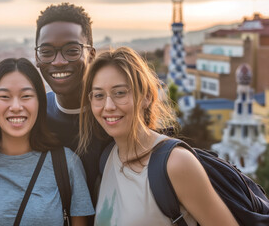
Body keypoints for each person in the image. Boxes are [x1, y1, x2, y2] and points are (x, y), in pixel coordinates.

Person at [78, 47, 238, 225]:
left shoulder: (176, 163)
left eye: (120, 92)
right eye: (99, 95)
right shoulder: (107, 158)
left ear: (146, 97)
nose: (108, 106)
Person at [0, 58, 94, 225]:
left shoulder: (66, 164)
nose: (16, 106)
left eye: (26, 96)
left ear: (39, 102)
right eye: (5, 96)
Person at [35, 3, 112, 207]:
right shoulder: (34, 117)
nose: (58, 61)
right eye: (47, 51)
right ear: (36, 57)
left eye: (71, 50)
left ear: (92, 55)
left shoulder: (114, 118)